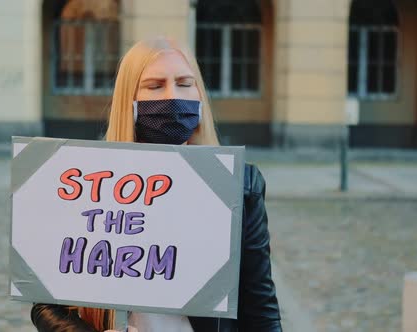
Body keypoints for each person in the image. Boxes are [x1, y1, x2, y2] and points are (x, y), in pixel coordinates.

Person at [30, 37, 282, 332]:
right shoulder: (88, 181)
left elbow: (259, 307)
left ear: (200, 96)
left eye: (185, 83)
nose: (173, 97)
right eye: (155, 85)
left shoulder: (239, 186)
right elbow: (46, 303)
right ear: (130, 100)